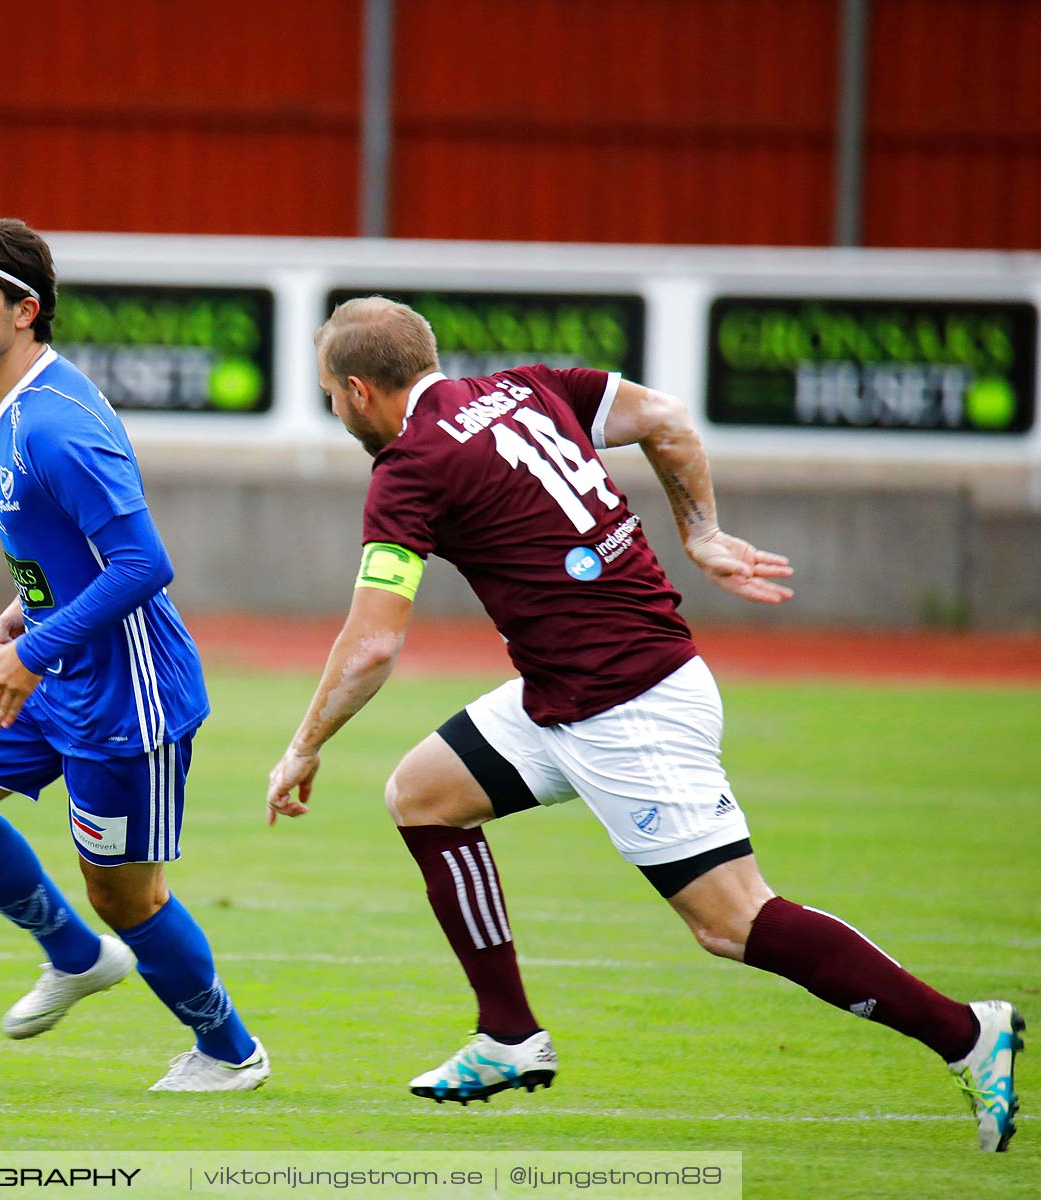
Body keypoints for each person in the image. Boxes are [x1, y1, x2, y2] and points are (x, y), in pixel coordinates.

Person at [266, 296, 1023, 1151]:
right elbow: (663, 417)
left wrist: (301, 746)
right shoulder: (528, 386)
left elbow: (371, 648)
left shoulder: (410, 466)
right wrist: (699, 532)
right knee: (423, 795)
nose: (335, 409)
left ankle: (966, 1031)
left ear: (361, 390)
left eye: (331, 394)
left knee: (732, 922)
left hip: (628, 707)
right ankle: (509, 1035)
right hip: (565, 690)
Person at [0, 216, 267, 1091]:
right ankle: (75, 957)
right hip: (54, 664)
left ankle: (229, 1052)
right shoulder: (10, 402)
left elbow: (145, 565)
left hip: (123, 695)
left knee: (125, 897)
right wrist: (30, 610)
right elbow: (73, 550)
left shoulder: (57, 426)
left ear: (24, 311)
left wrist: (40, 642)